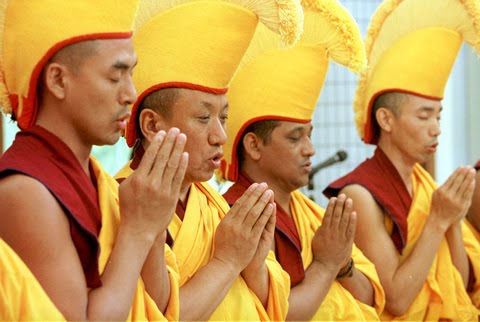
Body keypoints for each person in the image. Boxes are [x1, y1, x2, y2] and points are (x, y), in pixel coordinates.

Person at [115, 0, 303, 320]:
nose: (220, 137)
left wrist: (254, 263)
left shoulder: (213, 203)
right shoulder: (122, 200)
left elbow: (273, 303)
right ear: (151, 125)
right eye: (203, 117)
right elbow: (153, 315)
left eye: (224, 118)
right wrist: (228, 262)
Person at [0, 1, 184, 320]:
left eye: (132, 75)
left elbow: (160, 306)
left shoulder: (102, 183)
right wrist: (138, 230)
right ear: (58, 80)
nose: (131, 94)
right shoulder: (26, 190)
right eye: (116, 77)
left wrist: (152, 224)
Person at [221, 0, 385, 320]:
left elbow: (371, 296)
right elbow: (279, 315)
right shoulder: (237, 214)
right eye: (295, 138)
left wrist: (342, 263)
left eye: (309, 134)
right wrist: (326, 265)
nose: (310, 149)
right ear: (253, 146)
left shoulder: (308, 213)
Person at [323, 0, 480, 320]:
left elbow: (459, 286)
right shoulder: (360, 194)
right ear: (386, 119)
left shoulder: (424, 185)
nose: (436, 128)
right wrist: (438, 219)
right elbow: (394, 299)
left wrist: (452, 220)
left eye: (438, 116)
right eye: (424, 117)